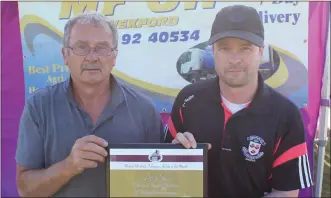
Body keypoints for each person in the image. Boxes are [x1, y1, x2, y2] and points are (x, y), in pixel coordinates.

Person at [164, 5, 313, 198]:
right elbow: (163, 171)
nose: (235, 59)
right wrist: (174, 154)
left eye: (245, 49)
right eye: (225, 48)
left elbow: (287, 193)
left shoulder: (286, 115)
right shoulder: (188, 100)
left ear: (260, 52)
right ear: (213, 51)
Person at [16, 12, 164, 197]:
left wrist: (185, 156)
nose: (92, 57)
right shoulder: (39, 107)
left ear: (114, 56)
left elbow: (161, 180)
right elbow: (25, 189)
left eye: (101, 48)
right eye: (81, 47)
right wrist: (68, 166)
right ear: (65, 55)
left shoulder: (144, 109)